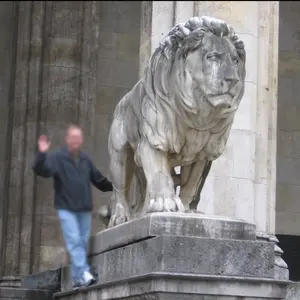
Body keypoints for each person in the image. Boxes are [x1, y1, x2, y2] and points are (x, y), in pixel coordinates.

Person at [32, 124, 113, 289]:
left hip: (84, 208)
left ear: (81, 140)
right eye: (72, 137)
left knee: (81, 243)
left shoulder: (86, 160)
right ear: (68, 140)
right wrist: (41, 153)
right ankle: (84, 273)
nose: (75, 140)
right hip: (66, 208)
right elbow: (41, 170)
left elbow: (99, 180)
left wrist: (117, 186)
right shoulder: (58, 158)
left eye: (78, 137)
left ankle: (77, 279)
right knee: (74, 240)